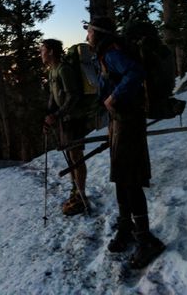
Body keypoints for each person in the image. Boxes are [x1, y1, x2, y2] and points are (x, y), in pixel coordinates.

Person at [85, 17, 165, 269]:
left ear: (97, 33)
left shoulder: (111, 53)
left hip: (128, 120)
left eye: (89, 31)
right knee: (121, 176)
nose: (86, 35)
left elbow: (135, 72)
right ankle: (127, 226)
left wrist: (113, 98)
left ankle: (145, 239)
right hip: (120, 121)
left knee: (129, 177)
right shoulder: (106, 53)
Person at [40, 38, 91, 216]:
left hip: (74, 119)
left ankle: (81, 194)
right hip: (65, 120)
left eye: (43, 50)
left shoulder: (64, 70)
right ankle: (75, 190)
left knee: (76, 156)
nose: (41, 53)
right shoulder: (52, 71)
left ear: (52, 51)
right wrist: (49, 116)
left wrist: (56, 115)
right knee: (71, 157)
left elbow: (73, 96)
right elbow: (53, 98)